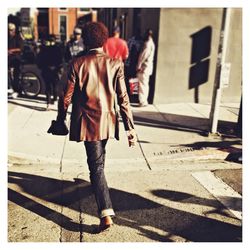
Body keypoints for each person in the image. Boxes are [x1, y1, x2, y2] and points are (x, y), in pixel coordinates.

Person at [55, 22, 136, 232]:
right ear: (104, 40)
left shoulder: (77, 63)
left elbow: (66, 97)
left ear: (85, 40)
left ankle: (106, 213)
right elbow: (123, 97)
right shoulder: (116, 63)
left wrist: (61, 118)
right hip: (108, 121)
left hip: (88, 123)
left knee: (96, 167)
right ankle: (103, 195)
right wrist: (130, 128)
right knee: (99, 162)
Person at [37, 34, 63, 110]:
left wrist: (58, 67)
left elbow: (60, 60)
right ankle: (49, 101)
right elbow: (39, 60)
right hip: (48, 70)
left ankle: (53, 99)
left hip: (53, 70)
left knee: (53, 86)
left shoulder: (56, 49)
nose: (50, 43)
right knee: (50, 86)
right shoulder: (44, 49)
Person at [136, 29, 155, 107]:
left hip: (144, 67)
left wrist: (138, 66)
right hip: (147, 67)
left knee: (142, 85)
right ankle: (144, 101)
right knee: (145, 84)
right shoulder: (151, 43)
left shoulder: (147, 44)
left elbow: (143, 56)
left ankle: (143, 101)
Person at [8, 22, 24, 98]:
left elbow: (20, 48)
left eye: (11, 30)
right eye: (8, 30)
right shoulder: (8, 38)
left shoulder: (18, 37)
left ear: (14, 30)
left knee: (16, 75)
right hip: (10, 59)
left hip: (17, 59)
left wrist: (11, 50)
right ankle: (11, 88)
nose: (10, 31)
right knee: (9, 75)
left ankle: (17, 91)